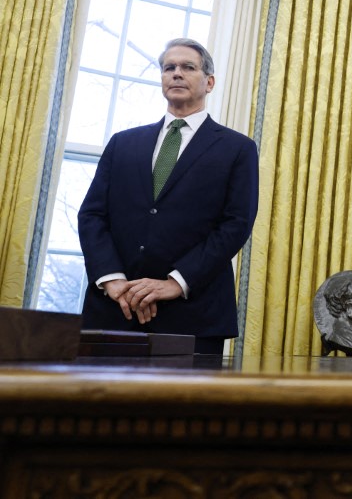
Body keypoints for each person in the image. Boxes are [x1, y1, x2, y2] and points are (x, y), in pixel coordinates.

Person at [78, 38, 259, 354]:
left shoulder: (238, 149)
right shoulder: (123, 143)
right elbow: (92, 215)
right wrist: (112, 280)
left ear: (209, 82)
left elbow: (236, 224)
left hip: (193, 314)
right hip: (115, 309)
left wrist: (175, 283)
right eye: (168, 67)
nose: (176, 73)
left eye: (188, 67)